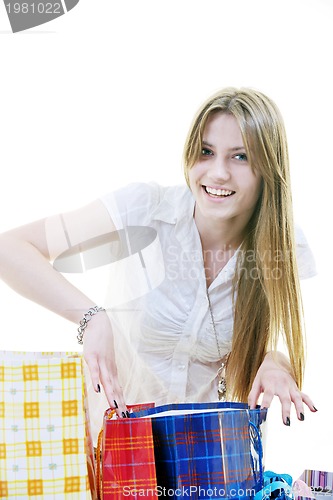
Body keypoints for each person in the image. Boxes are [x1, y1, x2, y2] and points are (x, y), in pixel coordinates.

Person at [0, 87, 317, 430]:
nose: (218, 173)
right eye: (206, 152)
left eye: (240, 156)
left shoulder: (284, 244)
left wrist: (275, 363)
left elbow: (284, 335)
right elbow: (10, 249)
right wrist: (92, 318)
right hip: (115, 450)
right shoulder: (144, 209)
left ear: (267, 168)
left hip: (203, 461)